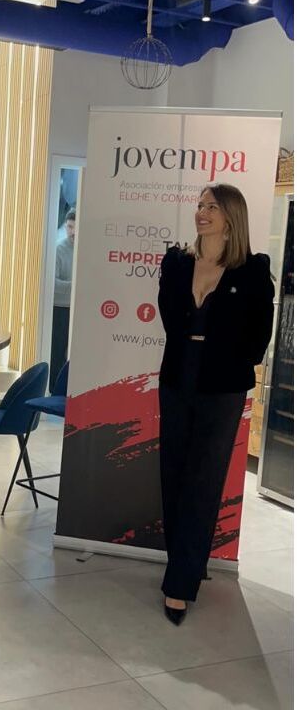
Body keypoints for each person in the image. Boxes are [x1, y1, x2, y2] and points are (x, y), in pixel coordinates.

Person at [157, 183, 274, 626]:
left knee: (204, 481)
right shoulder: (176, 262)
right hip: (177, 380)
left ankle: (179, 584)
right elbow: (170, 320)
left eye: (212, 207)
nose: (202, 212)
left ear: (231, 217)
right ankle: (187, 562)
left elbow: (259, 336)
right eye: (200, 205)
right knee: (174, 475)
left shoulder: (252, 270)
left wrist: (227, 358)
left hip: (223, 388)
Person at [50, 209, 76, 392]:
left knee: (74, 351)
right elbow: (52, 283)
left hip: (79, 308)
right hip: (60, 308)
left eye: (75, 227)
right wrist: (76, 285)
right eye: (69, 227)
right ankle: (54, 389)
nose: (72, 231)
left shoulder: (88, 249)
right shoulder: (59, 249)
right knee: (58, 351)